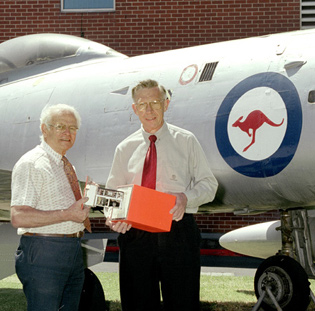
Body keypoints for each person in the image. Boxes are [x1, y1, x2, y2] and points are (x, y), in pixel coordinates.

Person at [106, 79, 218, 311]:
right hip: (135, 236)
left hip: (178, 232)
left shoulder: (186, 141)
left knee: (182, 303)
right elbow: (113, 197)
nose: (149, 110)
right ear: (134, 109)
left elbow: (209, 185)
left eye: (155, 102)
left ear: (166, 104)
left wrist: (187, 198)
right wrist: (113, 217)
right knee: (137, 303)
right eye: (143, 104)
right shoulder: (124, 148)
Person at [11, 104, 90, 311]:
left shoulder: (66, 165)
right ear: (44, 129)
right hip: (44, 252)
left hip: (72, 250)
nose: (67, 133)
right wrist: (67, 214)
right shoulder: (32, 163)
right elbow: (19, 217)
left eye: (73, 128)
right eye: (60, 126)